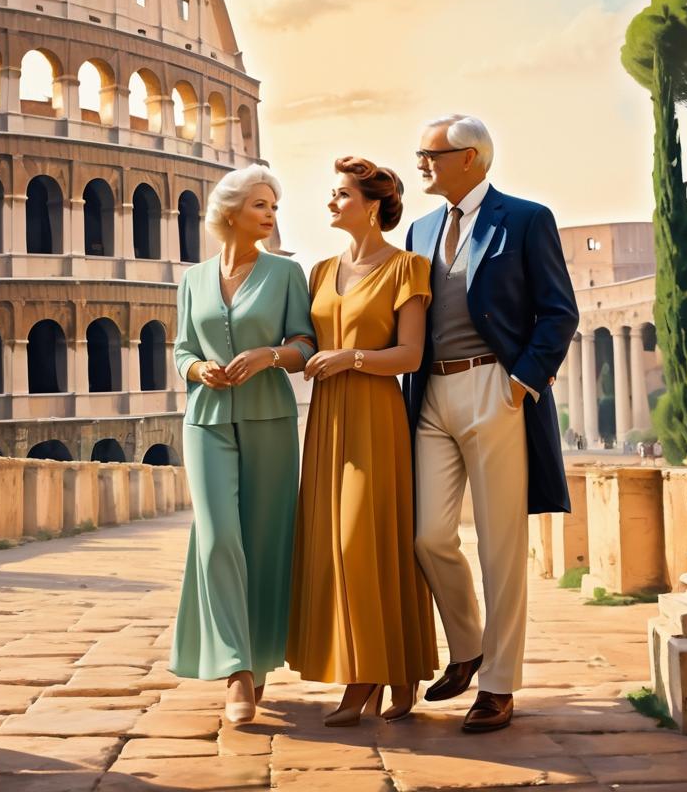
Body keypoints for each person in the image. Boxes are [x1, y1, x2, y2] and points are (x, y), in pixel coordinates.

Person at [404, 114, 578, 733]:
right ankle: (469, 646)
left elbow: (559, 312)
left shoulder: (526, 218)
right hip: (430, 394)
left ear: (470, 158)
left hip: (494, 389)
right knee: (427, 535)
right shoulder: (421, 229)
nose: (421, 160)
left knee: (501, 546)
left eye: (432, 152)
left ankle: (499, 684)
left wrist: (520, 382)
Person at [287, 156, 438, 726]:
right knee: (334, 545)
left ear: (372, 206)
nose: (331, 202)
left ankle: (367, 674)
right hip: (326, 419)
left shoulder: (408, 269)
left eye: (341, 194)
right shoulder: (320, 271)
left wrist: (349, 357)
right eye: (332, 194)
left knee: (365, 542)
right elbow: (305, 338)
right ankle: (396, 667)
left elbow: (410, 355)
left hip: (376, 414)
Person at [170, 165, 317, 725]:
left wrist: (268, 357)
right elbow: (182, 348)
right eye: (261, 205)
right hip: (205, 422)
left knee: (264, 542)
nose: (271, 214)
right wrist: (199, 366)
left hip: (270, 419)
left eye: (274, 206)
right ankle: (234, 670)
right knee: (218, 539)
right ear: (230, 211)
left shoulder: (285, 274)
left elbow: (305, 344)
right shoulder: (192, 279)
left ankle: (255, 667)